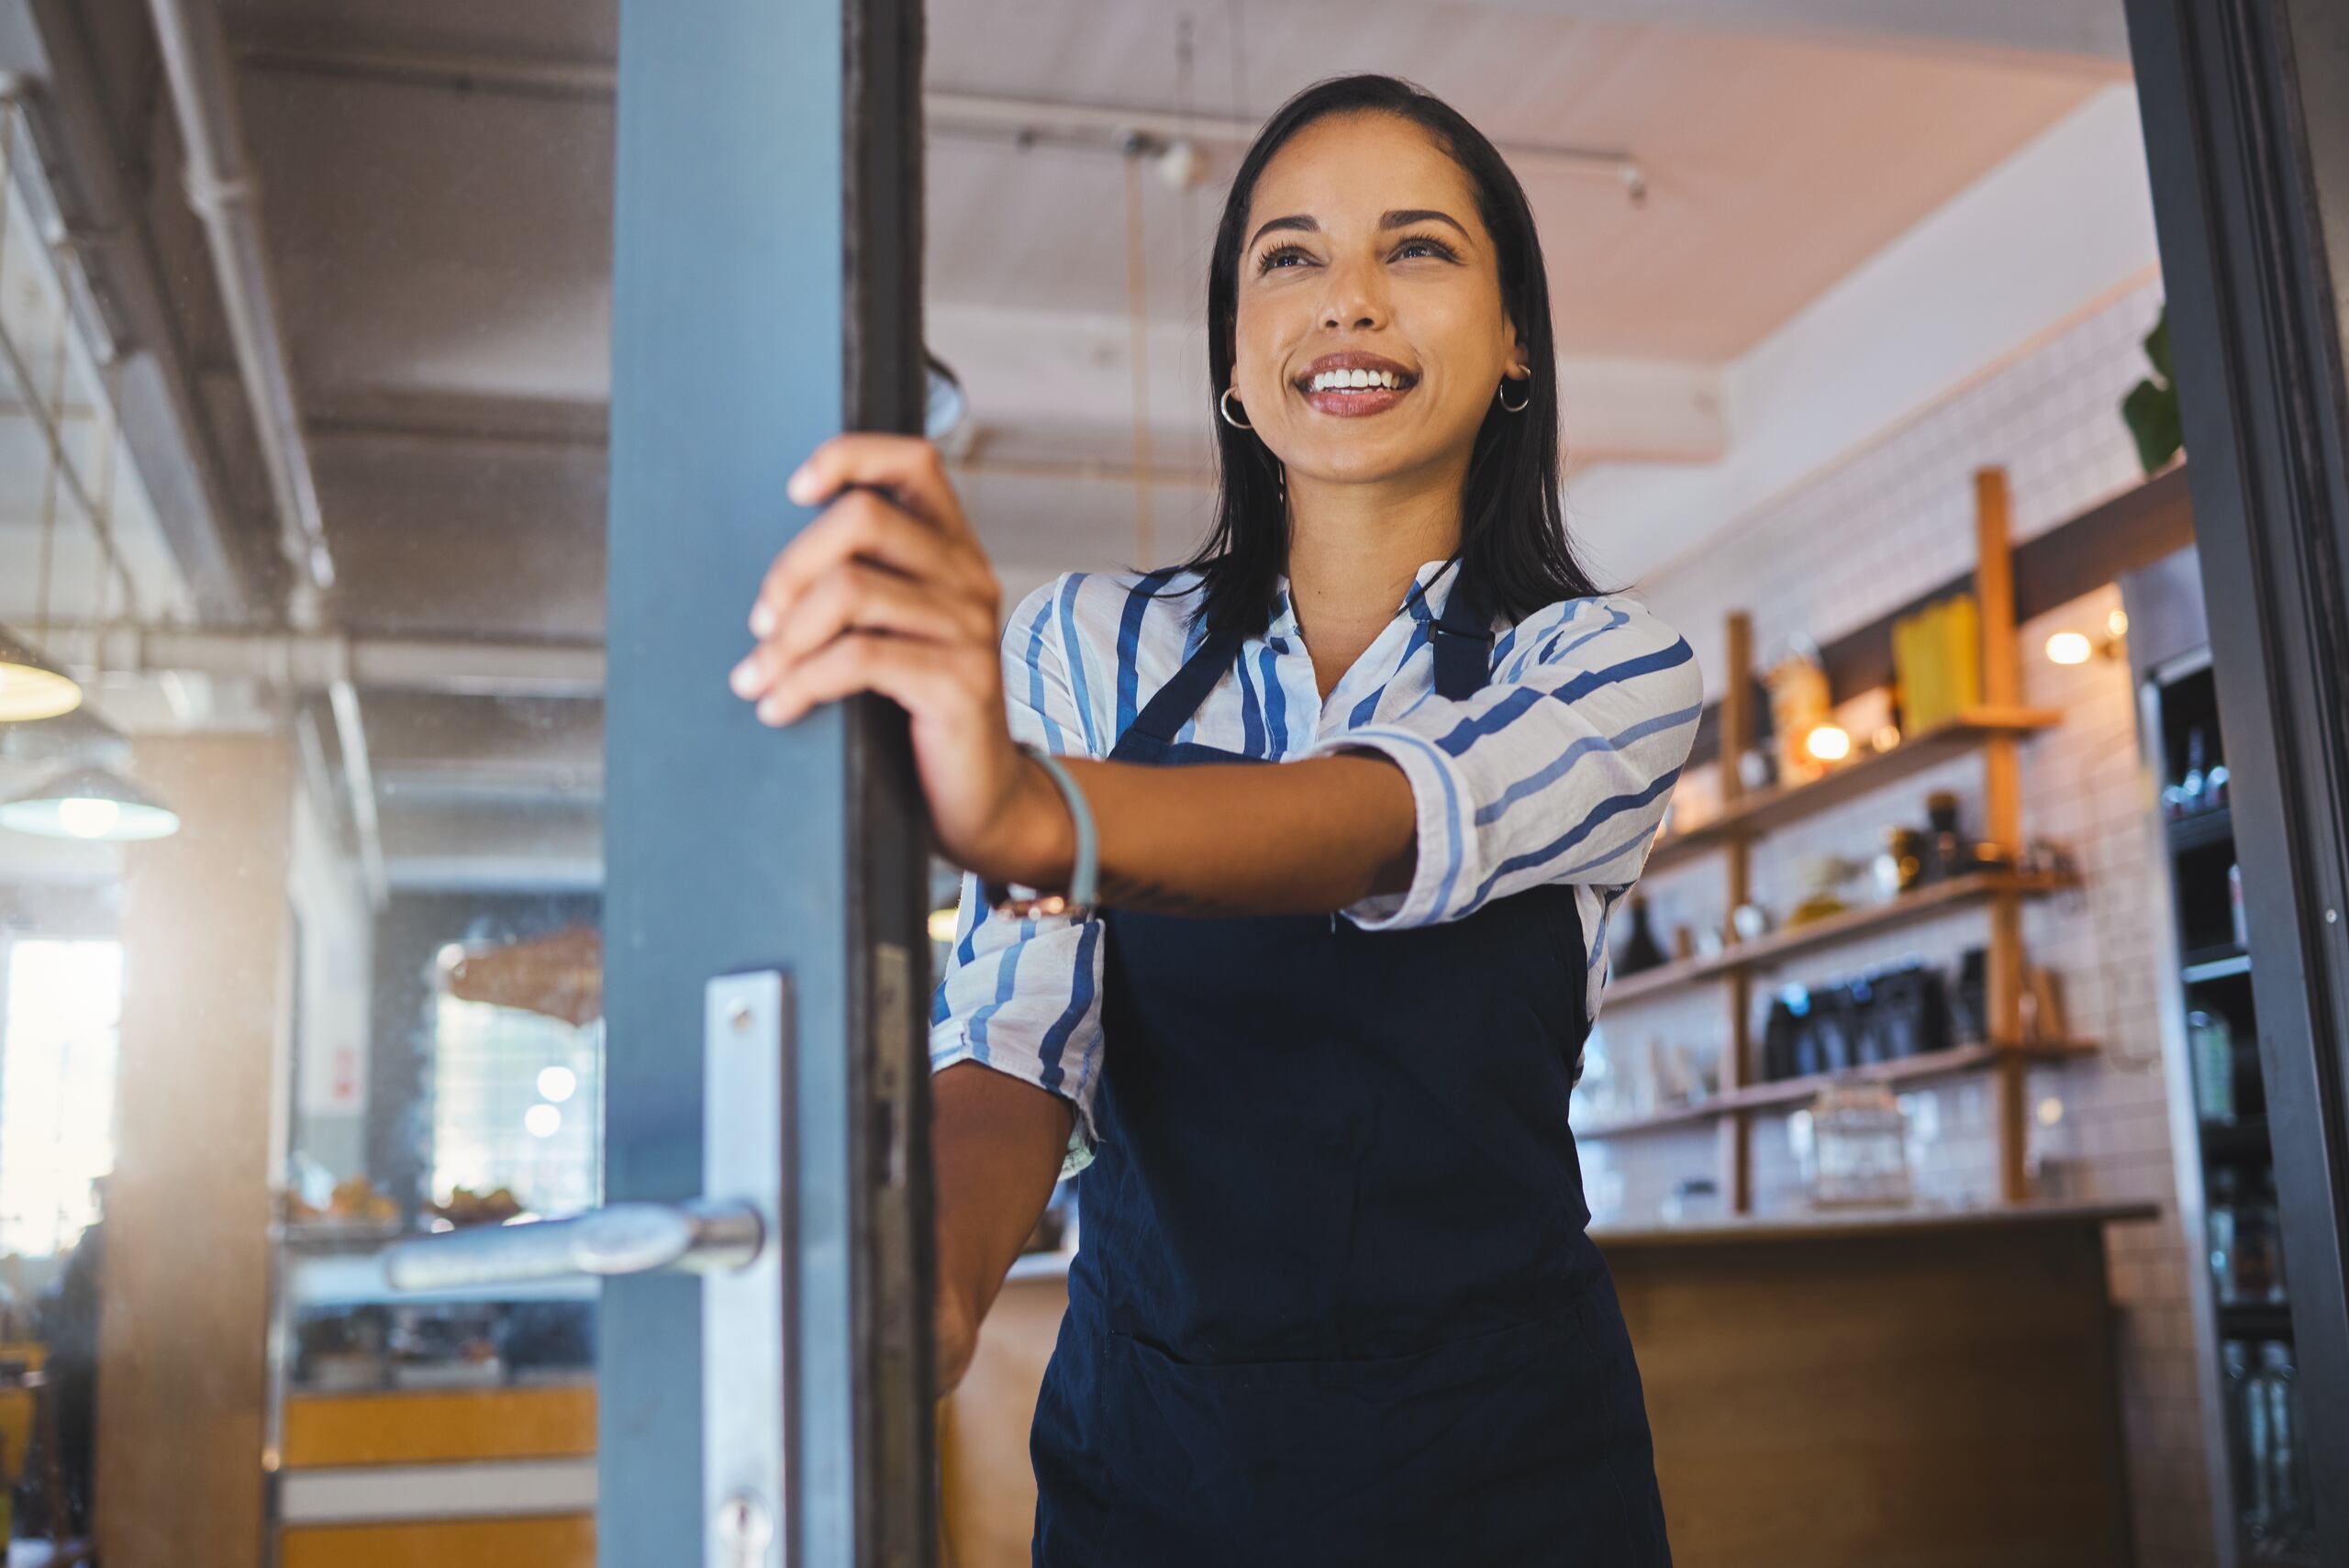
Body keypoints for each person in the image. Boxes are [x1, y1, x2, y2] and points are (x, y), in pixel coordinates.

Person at [731, 72, 1698, 1566]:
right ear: (1235, 366)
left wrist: (1035, 812)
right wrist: (927, 1275)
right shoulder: (1086, 647)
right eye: (1290, 256)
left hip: (1505, 1469)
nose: (1350, 302)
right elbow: (1015, 1033)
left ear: (1517, 344)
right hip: (1159, 1463)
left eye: (1420, 249)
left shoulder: (1604, 665)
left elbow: (1383, 820)